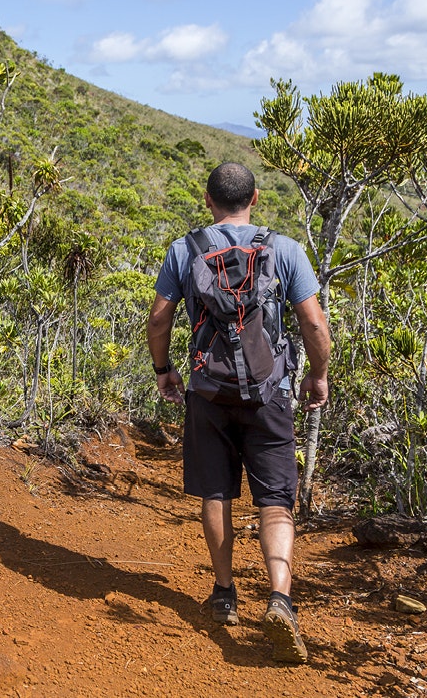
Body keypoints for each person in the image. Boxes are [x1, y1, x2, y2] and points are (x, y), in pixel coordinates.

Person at [144, 161, 332, 664]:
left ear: (208, 201)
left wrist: (163, 370)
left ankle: (224, 593)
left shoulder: (185, 250)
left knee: (216, 491)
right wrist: (317, 374)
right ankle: (279, 598)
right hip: (270, 392)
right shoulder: (285, 249)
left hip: (208, 391)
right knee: (275, 500)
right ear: (256, 199)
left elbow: (159, 318)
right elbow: (312, 323)